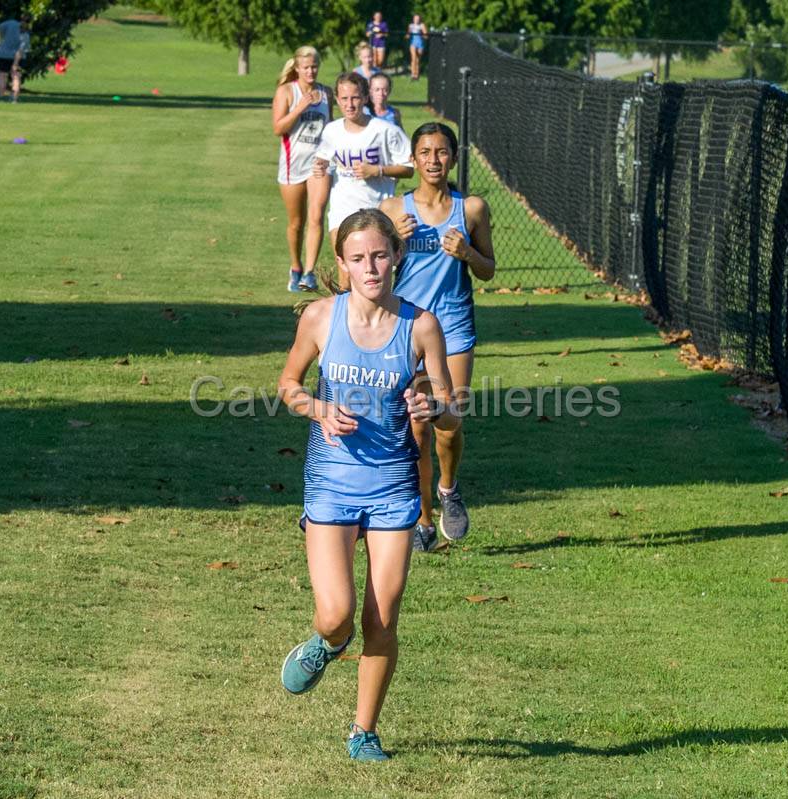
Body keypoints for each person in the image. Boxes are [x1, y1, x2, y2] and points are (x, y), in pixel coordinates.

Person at [277, 208, 460, 762]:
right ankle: (328, 643)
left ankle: (363, 732)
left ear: (396, 256)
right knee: (337, 613)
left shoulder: (420, 325)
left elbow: (452, 413)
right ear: (342, 264)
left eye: (380, 255)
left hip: (394, 483)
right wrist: (319, 409)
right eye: (358, 258)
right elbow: (288, 385)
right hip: (331, 480)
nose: (371, 267)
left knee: (383, 614)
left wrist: (434, 406)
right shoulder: (319, 317)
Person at [380, 122, 496, 552]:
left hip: (454, 327)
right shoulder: (394, 210)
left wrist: (467, 253)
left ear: (453, 158)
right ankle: (423, 522)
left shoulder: (472, 210)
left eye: (442, 152)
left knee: (447, 421)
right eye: (425, 152)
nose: (433, 159)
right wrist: (398, 247)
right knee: (417, 431)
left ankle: (449, 489)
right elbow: (375, 272)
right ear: (414, 159)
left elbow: (488, 268)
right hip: (407, 330)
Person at [312, 72, 413, 290]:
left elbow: (410, 168)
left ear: (365, 97)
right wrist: (320, 166)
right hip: (342, 210)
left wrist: (377, 170)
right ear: (337, 100)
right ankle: (345, 320)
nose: (350, 104)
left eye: (355, 98)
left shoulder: (385, 131)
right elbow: (325, 160)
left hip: (377, 210)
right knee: (347, 273)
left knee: (377, 277)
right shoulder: (332, 131)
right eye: (344, 99)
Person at [272, 46, 332, 293]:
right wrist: (300, 108)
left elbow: (331, 128)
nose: (311, 71)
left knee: (317, 215)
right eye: (306, 67)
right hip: (292, 164)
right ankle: (295, 267)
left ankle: (309, 273)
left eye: (315, 66)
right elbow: (278, 128)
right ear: (297, 68)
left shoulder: (326, 93)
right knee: (297, 222)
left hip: (318, 165)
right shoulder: (287, 92)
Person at [0, 13, 31, 103]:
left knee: (2, 75)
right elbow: (20, 51)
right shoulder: (25, 34)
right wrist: (15, 64)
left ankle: (1, 97)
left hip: (3, 54)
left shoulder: (10, 23)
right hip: (16, 56)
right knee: (16, 77)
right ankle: (14, 99)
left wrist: (1, 39)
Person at [407, 15, 428, 81]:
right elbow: (408, 34)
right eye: (415, 19)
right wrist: (407, 35)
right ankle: (413, 74)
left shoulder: (422, 25)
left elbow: (426, 35)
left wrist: (423, 34)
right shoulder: (411, 26)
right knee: (413, 58)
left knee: (417, 60)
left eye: (418, 19)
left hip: (420, 44)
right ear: (413, 19)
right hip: (413, 43)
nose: (416, 20)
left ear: (420, 19)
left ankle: (417, 75)